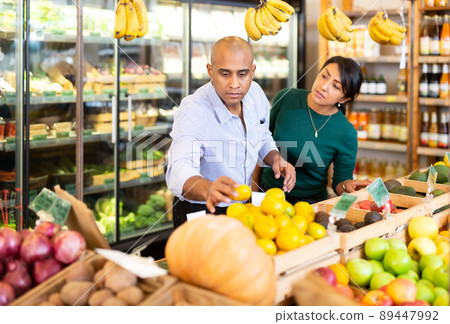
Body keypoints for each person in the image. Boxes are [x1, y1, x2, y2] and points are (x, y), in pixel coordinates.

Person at [166, 36, 295, 228]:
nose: (235, 84)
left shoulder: (256, 94)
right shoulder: (193, 110)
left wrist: (275, 158)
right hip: (201, 210)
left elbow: (262, 136)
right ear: (210, 71)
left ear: (253, 71)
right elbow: (179, 169)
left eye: (242, 74)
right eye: (225, 74)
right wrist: (209, 189)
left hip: (241, 209)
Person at [253, 56, 372, 205]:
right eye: (324, 76)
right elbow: (260, 143)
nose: (324, 86)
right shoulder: (286, 98)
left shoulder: (346, 132)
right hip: (267, 194)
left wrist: (345, 185)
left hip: (309, 204)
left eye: (335, 86)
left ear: (343, 99)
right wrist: (253, 190)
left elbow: (339, 183)